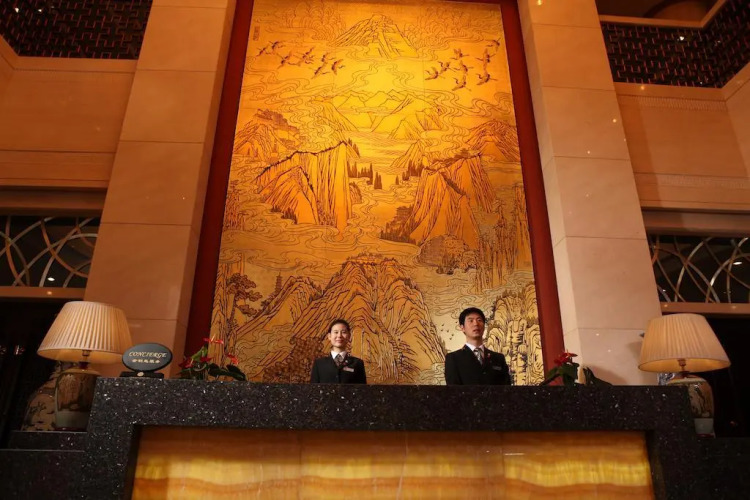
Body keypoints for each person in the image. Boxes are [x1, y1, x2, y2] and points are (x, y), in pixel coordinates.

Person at [444, 307, 511, 385]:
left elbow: (507, 388)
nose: (476, 324)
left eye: (479, 320)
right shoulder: (453, 358)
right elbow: (453, 389)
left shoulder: (499, 358)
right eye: (471, 321)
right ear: (462, 328)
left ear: (484, 326)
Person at [310, 319, 367, 384]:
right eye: (336, 332)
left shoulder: (358, 363)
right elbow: (313, 389)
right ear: (329, 336)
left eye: (343, 332)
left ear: (349, 336)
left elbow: (362, 389)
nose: (339, 336)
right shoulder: (319, 364)